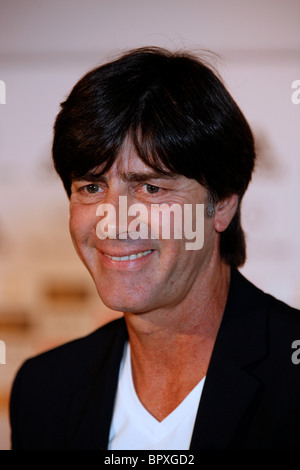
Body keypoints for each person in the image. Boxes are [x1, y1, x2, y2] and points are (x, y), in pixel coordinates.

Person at [10, 47, 300, 450]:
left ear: (223, 205)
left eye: (150, 187)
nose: (113, 220)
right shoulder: (45, 390)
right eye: (92, 187)